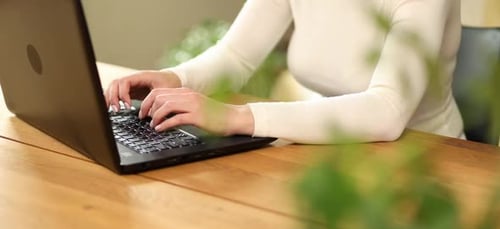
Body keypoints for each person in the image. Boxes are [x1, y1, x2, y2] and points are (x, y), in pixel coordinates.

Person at [105, 0, 464, 144]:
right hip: (336, 152)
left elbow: (387, 110)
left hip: (430, 162)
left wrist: (237, 117)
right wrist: (175, 79)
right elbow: (236, 56)